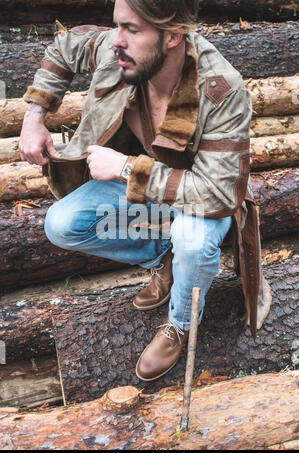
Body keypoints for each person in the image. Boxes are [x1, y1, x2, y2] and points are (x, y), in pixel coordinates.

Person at [19, 0, 272, 382]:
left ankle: (181, 324)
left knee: (191, 239)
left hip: (202, 198)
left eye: (132, 30)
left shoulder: (220, 89)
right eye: (117, 26)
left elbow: (219, 195)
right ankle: (161, 260)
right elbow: (64, 46)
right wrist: (34, 115)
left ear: (172, 36)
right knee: (63, 223)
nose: (116, 40)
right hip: (149, 192)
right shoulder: (119, 49)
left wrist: (123, 167)